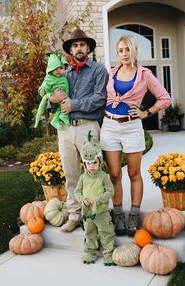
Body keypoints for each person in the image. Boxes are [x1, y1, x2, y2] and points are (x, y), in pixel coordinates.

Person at [100, 34, 171, 237]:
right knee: (114, 174)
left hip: (132, 128)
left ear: (134, 51)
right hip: (110, 126)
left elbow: (165, 98)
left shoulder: (145, 74)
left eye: (127, 49)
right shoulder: (111, 74)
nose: (124, 53)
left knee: (134, 174)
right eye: (120, 50)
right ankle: (119, 214)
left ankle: (134, 215)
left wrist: (146, 113)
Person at [49, 29, 109, 232]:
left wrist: (73, 104)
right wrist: (52, 100)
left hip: (88, 127)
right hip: (65, 130)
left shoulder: (98, 70)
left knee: (94, 173)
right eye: (75, 45)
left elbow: (100, 98)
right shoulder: (63, 73)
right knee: (71, 174)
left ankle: (96, 215)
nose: (79, 48)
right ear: (70, 50)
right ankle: (74, 215)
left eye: (82, 45)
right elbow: (51, 100)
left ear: (88, 48)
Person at [74, 131, 115, 266]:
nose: (92, 165)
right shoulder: (83, 178)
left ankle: (109, 252)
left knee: (105, 231)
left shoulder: (103, 176)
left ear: (99, 161)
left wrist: (98, 199)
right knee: (89, 232)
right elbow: (77, 192)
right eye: (88, 163)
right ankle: (91, 251)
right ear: (84, 164)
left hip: (101, 211)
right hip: (87, 212)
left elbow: (110, 191)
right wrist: (82, 199)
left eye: (94, 162)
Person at [34, 52, 70, 130]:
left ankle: (61, 118)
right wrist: (42, 90)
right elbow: (45, 84)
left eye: (61, 68)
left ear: (64, 68)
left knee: (65, 105)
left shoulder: (64, 76)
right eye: (55, 69)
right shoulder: (50, 77)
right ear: (50, 69)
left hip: (64, 96)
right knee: (60, 108)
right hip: (55, 95)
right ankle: (55, 120)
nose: (58, 71)